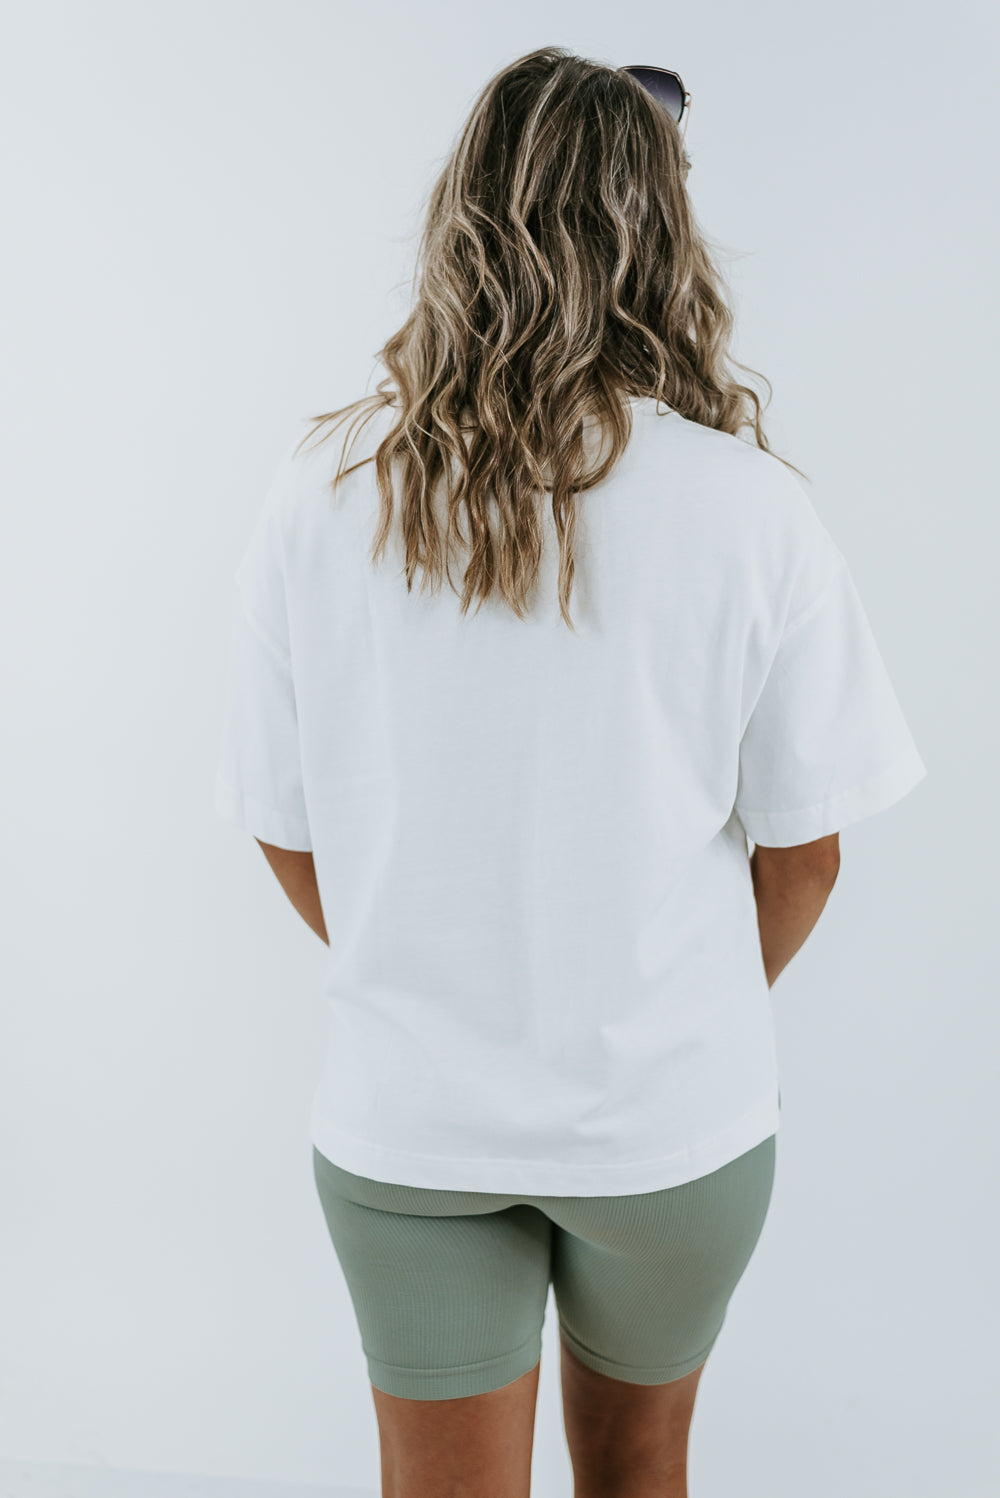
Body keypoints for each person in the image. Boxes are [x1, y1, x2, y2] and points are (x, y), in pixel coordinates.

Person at [213, 45, 927, 1498]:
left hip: (410, 1126)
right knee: (640, 1476)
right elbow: (809, 855)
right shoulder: (752, 510)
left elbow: (285, 828)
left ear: (464, 212)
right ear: (659, 230)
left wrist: (449, 979)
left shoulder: (322, 494)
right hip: (669, 1129)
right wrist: (653, 1007)